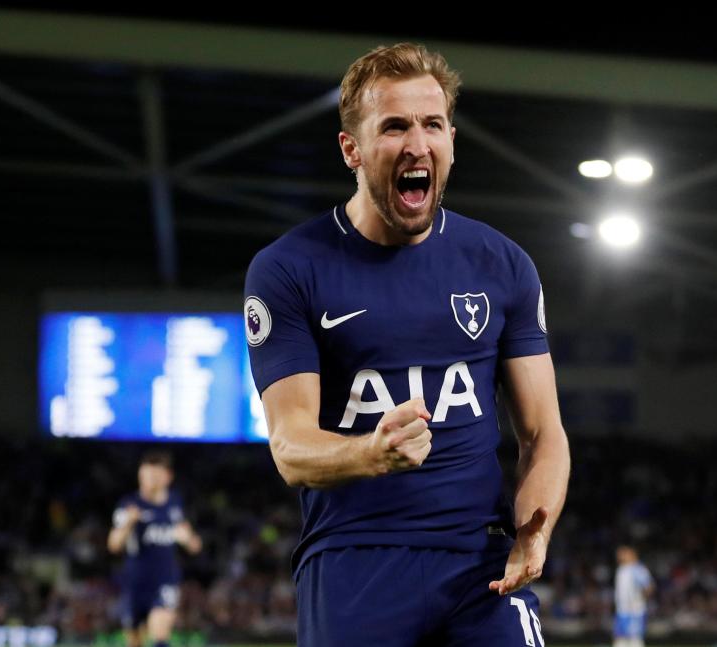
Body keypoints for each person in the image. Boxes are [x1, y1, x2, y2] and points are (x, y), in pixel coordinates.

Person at [244, 42, 570, 646]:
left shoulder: (503, 265)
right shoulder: (288, 269)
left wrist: (534, 531)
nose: (417, 144)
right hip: (351, 560)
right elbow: (290, 447)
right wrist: (372, 452)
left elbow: (544, 433)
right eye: (394, 126)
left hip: (479, 563)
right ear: (353, 149)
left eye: (433, 125)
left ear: (450, 140)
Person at [107, 451, 202, 647]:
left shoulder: (175, 504)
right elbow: (113, 544)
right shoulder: (129, 505)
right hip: (135, 583)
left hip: (165, 580)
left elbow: (195, 545)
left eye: (154, 476)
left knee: (160, 633)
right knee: (134, 642)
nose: (148, 481)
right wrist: (127, 524)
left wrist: (188, 539)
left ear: (167, 477)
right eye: (145, 476)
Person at [613, 545, 654, 647]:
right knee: (620, 638)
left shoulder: (637, 569)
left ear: (631, 555)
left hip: (634, 611)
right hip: (622, 609)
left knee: (635, 638)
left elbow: (649, 586)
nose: (620, 556)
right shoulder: (621, 569)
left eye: (623, 553)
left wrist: (639, 601)